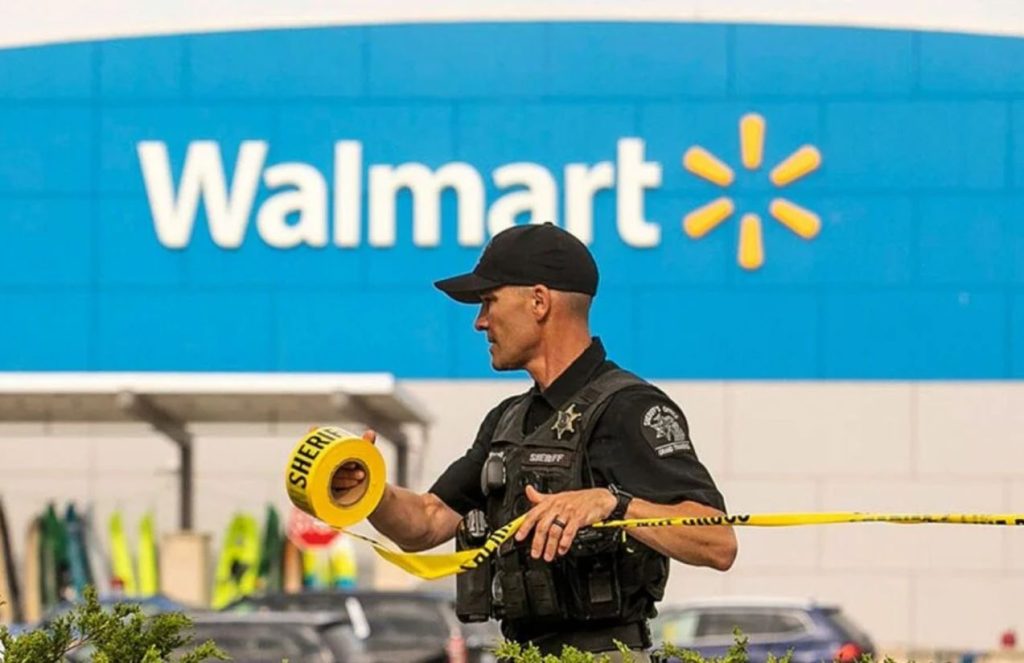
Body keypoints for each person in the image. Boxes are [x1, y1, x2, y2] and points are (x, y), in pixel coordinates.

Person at [332, 223, 737, 660]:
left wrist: (612, 503)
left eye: (489, 301)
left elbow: (718, 541)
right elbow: (427, 522)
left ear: (539, 301)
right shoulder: (508, 420)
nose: (479, 321)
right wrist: (370, 491)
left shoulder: (628, 408)